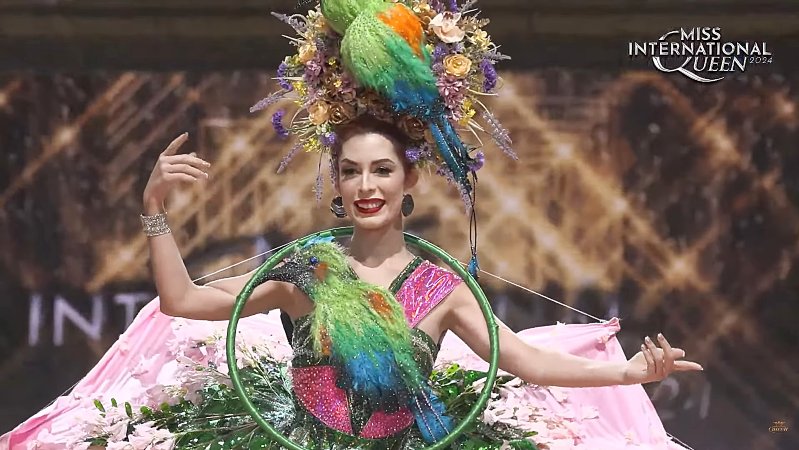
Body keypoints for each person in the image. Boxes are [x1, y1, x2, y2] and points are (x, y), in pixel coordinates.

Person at [2, 1, 703, 449]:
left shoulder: (440, 287)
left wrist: (630, 371)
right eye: (351, 171)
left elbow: (523, 361)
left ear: (409, 184)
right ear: (336, 185)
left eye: (381, 171)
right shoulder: (306, 273)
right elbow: (183, 302)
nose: (365, 185)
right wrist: (153, 213)